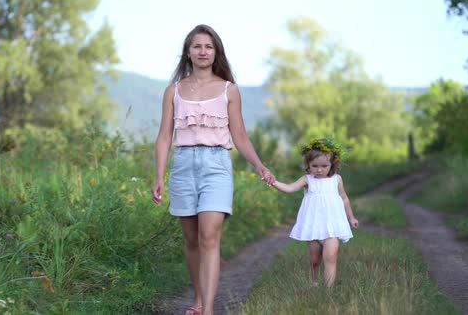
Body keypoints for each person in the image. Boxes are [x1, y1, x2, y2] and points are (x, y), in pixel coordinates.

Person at [151, 24, 275, 315]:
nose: (203, 51)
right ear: (188, 52)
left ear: (216, 51)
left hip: (216, 165)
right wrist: (159, 176)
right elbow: (164, 136)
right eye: (197, 46)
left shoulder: (229, 90)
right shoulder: (174, 91)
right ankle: (197, 299)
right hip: (182, 166)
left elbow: (240, 135)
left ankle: (207, 310)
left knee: (209, 236)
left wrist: (259, 166)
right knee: (192, 240)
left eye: (208, 46)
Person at [272, 138, 359, 287]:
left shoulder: (336, 180)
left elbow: (344, 198)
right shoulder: (307, 180)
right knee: (314, 260)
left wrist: (351, 217)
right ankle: (314, 281)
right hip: (314, 227)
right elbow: (289, 188)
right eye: (315, 166)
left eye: (324, 166)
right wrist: (272, 182)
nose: (319, 170)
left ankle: (329, 291)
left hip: (332, 227)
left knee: (331, 258)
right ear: (308, 165)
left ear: (332, 164)